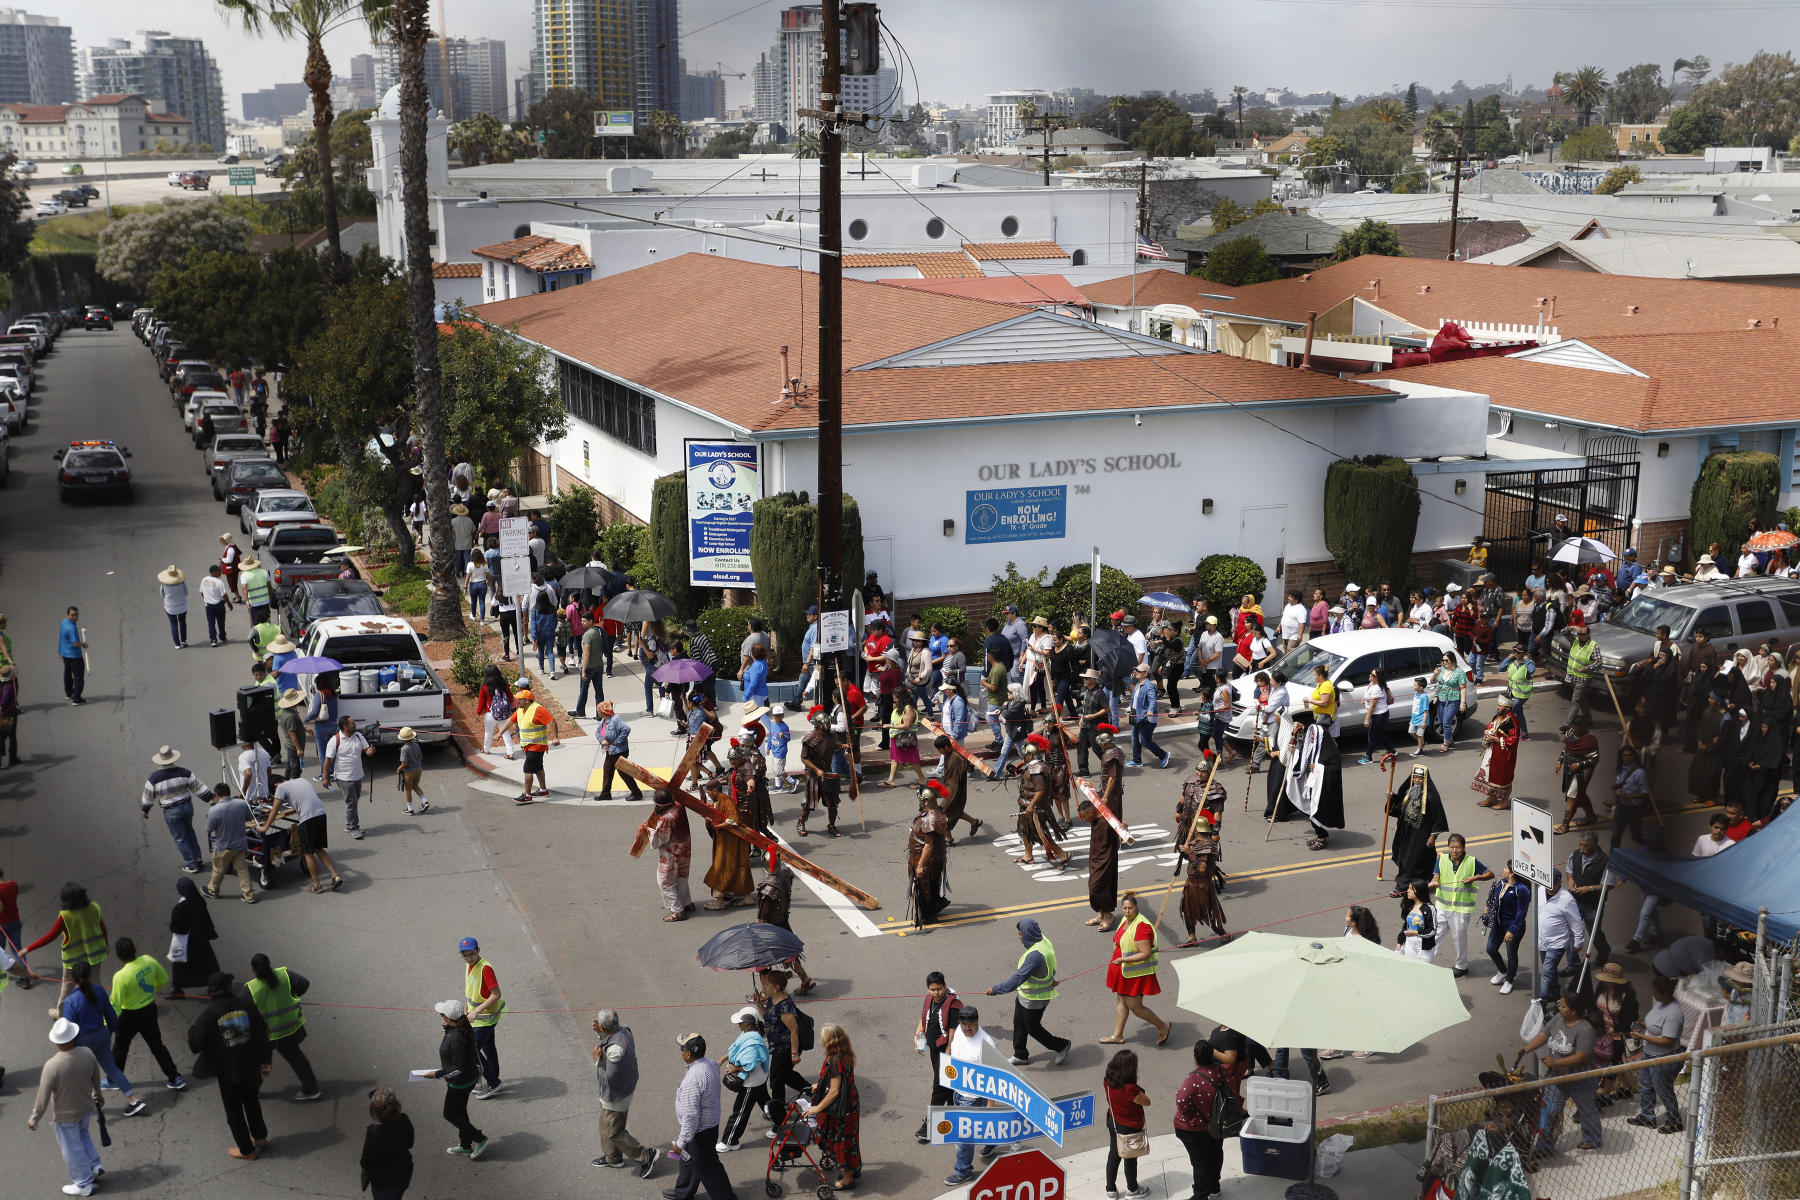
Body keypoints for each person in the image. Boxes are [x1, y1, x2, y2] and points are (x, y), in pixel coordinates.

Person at [187, 971, 272, 1161]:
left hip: (227, 1071)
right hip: (251, 1066)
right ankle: (260, 1137)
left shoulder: (209, 1014)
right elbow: (261, 1033)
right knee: (252, 1102)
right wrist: (266, 1060)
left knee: (234, 1112)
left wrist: (193, 1029)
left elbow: (195, 1044)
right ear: (228, 987)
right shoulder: (246, 1004)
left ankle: (246, 1150)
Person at [1520, 992, 1602, 1165]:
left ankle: (1592, 1139)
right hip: (1556, 1078)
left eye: (1563, 1006)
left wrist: (1555, 1062)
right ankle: (1545, 1147)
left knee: (1586, 1109)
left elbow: (1581, 1056)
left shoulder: (1584, 1030)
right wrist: (1527, 1048)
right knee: (1551, 1112)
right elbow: (1544, 1035)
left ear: (1574, 1011)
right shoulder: (1558, 1018)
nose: (1559, 1007)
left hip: (1580, 1079)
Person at [29, 1018, 107, 1196]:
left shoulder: (52, 1066)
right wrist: (98, 1095)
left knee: (72, 1149)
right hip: (85, 1107)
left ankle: (83, 1183)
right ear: (73, 1037)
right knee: (84, 1136)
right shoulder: (87, 1053)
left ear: (56, 1041)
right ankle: (95, 1165)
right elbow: (95, 1076)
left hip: (65, 1115)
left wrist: (35, 1117)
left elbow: (43, 1096)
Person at [983, 918, 1072, 1067]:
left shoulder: (1035, 956)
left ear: (1027, 934)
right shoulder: (1042, 940)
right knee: (1019, 1023)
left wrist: (995, 990)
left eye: (1020, 934)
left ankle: (1061, 1045)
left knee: (1033, 1029)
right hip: (1025, 995)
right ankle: (1020, 1055)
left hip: (1035, 998)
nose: (1019, 937)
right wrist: (1051, 978)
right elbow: (1049, 963)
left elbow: (1016, 979)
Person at [107, 937, 185, 1092]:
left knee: (121, 1047)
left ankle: (114, 1080)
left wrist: (106, 1023)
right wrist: (150, 989)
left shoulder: (121, 976)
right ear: (135, 949)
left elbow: (115, 1003)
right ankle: (175, 1077)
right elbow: (163, 979)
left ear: (118, 956)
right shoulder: (148, 960)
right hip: (149, 1010)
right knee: (157, 1045)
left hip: (129, 1016)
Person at [669, 1032, 740, 1200]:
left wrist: (681, 1142)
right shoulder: (709, 1064)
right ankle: (683, 1192)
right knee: (688, 1161)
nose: (680, 1051)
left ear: (688, 1054)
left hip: (699, 1131)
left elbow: (691, 1116)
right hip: (709, 1123)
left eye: (682, 1048)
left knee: (708, 1167)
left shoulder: (692, 1079)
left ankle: (725, 1197)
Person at [24, 882, 108, 1016]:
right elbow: (103, 929)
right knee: (95, 984)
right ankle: (100, 1011)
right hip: (95, 955)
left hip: (73, 959)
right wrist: (105, 946)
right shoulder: (94, 907)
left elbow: (50, 936)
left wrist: (28, 949)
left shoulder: (66, 916)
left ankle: (61, 1012)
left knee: (67, 986)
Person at [591, 1008, 658, 1175]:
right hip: (622, 1089)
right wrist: (601, 1035)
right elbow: (609, 1040)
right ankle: (612, 1158)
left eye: (599, 1024)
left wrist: (597, 1061)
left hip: (616, 1095)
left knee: (613, 1131)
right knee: (605, 1125)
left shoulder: (615, 1050)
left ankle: (645, 1156)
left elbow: (609, 1075)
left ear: (605, 1027)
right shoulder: (624, 1030)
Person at [247, 953, 321, 1101]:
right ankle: (311, 1088)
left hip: (267, 1034)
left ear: (253, 969)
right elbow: (304, 983)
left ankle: (252, 1090)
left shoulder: (251, 988)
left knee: (261, 1061)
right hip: (290, 1028)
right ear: (269, 964)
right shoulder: (284, 974)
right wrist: (292, 995)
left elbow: (243, 1007)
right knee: (296, 1058)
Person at [942, 1004, 1001, 1186]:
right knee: (978, 1127)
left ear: (977, 1022)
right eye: (964, 1024)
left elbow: (993, 1077)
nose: (967, 1028)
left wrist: (991, 1105)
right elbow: (954, 1044)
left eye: (971, 1025)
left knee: (964, 1136)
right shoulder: (960, 1031)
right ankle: (991, 1139)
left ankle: (963, 1170)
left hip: (973, 1098)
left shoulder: (986, 1044)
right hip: (958, 1090)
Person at [1103, 892, 1171, 1046]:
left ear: (1137, 907)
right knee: (1121, 1000)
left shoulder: (1140, 926)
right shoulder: (1125, 921)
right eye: (1125, 908)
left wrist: (1123, 959)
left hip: (1133, 973)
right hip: (1123, 971)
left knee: (1136, 1007)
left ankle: (1163, 1027)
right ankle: (1117, 1036)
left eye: (1130, 908)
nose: (1127, 911)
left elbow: (1145, 953)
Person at [425, 1000, 489, 1160]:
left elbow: (457, 1069)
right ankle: (465, 1145)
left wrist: (437, 1074)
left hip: (460, 1083)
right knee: (460, 1112)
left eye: (442, 1015)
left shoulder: (457, 1038)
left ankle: (479, 1138)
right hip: (466, 1078)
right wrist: (446, 1028)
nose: (440, 1016)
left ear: (450, 1018)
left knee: (450, 1114)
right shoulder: (459, 1027)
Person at [1274, 710, 1346, 851]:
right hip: (1314, 786)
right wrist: (1294, 752)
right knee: (1312, 813)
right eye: (1311, 734)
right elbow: (1303, 761)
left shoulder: (1331, 753)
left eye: (1313, 734)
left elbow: (1335, 771)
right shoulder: (1314, 748)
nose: (1311, 736)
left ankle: (1321, 838)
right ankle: (1320, 835)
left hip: (1325, 789)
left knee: (1317, 813)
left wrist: (1319, 768)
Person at [802, 1024, 860, 1190]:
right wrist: (819, 1085)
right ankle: (849, 1171)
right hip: (850, 1103)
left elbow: (834, 1092)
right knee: (848, 1140)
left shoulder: (835, 1061)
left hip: (841, 1109)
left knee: (839, 1142)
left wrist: (817, 1108)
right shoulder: (844, 1054)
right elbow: (836, 1083)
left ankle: (847, 1178)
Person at [263, 774, 342, 893]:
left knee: (308, 852)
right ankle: (335, 876)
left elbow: (274, 810)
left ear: (275, 785)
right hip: (320, 813)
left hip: (308, 819)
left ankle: (317, 886)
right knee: (318, 848)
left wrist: (265, 826)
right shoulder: (302, 780)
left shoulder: (280, 787)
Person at [1428, 833, 1491, 978]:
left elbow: (1490, 874)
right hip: (1442, 906)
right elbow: (1435, 876)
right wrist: (1434, 881)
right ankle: (1426, 959)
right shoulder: (1442, 858)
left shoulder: (1472, 862)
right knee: (1435, 934)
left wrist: (1475, 877)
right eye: (1451, 847)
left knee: (1459, 938)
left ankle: (1461, 966)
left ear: (1463, 848)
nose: (1454, 850)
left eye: (1457, 847)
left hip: (1461, 909)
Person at [1630, 975, 1686, 1134]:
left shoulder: (1673, 1013)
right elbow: (1656, 1024)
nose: (1653, 994)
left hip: (1663, 1057)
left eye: (1656, 992)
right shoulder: (1660, 1003)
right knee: (1645, 1084)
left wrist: (1641, 1037)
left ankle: (1674, 1121)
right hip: (1649, 1053)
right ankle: (1647, 1116)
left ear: (1666, 994)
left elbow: (1667, 1041)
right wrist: (1643, 1024)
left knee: (1663, 1089)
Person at [1173, 1039, 1228, 1200]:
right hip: (1217, 1125)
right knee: (1216, 1154)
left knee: (1200, 1162)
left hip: (1195, 1130)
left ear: (1195, 1056)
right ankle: (1214, 1187)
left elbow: (1182, 1100)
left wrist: (1189, 1116)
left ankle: (1200, 1194)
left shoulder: (1192, 1079)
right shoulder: (1221, 1072)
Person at [142, 745, 208, 873]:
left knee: (180, 837)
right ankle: (197, 857)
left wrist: (146, 810)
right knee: (189, 831)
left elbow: (148, 797)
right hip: (187, 807)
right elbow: (198, 788)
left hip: (171, 811)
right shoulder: (184, 772)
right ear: (173, 758)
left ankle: (192, 865)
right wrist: (211, 798)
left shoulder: (154, 778)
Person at [1386, 763, 1447, 899]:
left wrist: (1433, 836)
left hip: (1421, 835)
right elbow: (1400, 806)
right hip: (1406, 831)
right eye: (1415, 777)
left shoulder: (1431, 797)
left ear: (1425, 779)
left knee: (1410, 861)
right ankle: (1423, 880)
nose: (1417, 780)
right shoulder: (1410, 791)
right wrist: (1393, 798)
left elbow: (1438, 818)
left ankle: (1402, 886)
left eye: (1420, 778)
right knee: (1409, 857)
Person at [756, 969, 811, 1118]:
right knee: (785, 1076)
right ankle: (812, 1091)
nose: (764, 986)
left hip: (786, 1049)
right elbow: (767, 1018)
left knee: (776, 1081)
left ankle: (778, 1115)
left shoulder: (785, 1007)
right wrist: (758, 1004)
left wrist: (794, 1054)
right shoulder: (773, 1000)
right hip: (777, 1047)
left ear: (776, 987)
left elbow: (794, 1031)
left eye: (767, 983)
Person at [455, 937, 506, 1098]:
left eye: (471, 954)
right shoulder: (469, 966)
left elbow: (496, 994)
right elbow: (471, 991)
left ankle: (493, 1082)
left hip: (486, 1017)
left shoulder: (485, 968)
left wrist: (476, 1011)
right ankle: (492, 1078)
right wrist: (466, 1008)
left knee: (471, 1049)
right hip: (477, 1015)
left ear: (478, 950)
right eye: (465, 955)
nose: (469, 958)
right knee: (488, 1048)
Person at [1176, 809, 1230, 949]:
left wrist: (1190, 854)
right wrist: (1186, 852)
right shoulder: (1195, 843)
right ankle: (1192, 938)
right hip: (1191, 883)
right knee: (1187, 911)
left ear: (1197, 829)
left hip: (1202, 886)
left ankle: (1223, 935)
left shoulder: (1208, 845)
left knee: (1208, 914)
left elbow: (1202, 868)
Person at [717, 1007, 770, 1154]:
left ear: (749, 1024)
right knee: (765, 1102)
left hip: (751, 1083)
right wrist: (722, 1059)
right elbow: (738, 1049)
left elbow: (749, 1065)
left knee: (740, 1112)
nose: (738, 1024)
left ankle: (729, 1142)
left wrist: (735, 1069)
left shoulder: (752, 1042)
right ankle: (780, 1125)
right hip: (760, 1079)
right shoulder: (749, 1033)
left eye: (741, 1022)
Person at [1102, 1048, 1153, 1200]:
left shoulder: (1108, 1080)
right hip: (1129, 1125)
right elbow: (1147, 1102)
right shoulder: (1130, 1089)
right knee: (1130, 1158)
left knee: (1114, 1153)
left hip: (1113, 1120)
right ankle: (1132, 1189)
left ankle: (1110, 1189)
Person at [1013, 736, 1070, 868]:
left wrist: (1031, 806)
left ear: (1030, 755)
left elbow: (1041, 790)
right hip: (1026, 805)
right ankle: (1028, 855)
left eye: (1025, 754)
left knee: (1041, 834)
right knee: (1024, 830)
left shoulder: (1038, 768)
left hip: (1035, 808)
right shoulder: (1032, 766)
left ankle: (1062, 854)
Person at [1536, 869, 1588, 1006]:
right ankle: (1554, 994)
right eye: (1546, 883)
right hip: (1542, 940)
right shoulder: (1540, 890)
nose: (1548, 886)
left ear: (1559, 882)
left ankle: (1542, 1003)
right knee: (1550, 970)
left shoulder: (1567, 899)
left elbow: (1576, 922)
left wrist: (1578, 942)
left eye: (1552, 883)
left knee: (1546, 971)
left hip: (1557, 943)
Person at [1481, 862, 1532, 996]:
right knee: (1491, 949)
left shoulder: (1522, 889)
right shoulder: (1502, 883)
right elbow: (1496, 900)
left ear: (1512, 872)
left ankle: (1509, 980)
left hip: (1513, 927)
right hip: (1499, 924)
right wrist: (1490, 908)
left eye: (1505, 868)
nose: (1503, 869)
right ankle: (1502, 971)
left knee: (1511, 954)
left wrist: (1512, 931)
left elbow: (1521, 913)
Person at [642, 790, 694, 920]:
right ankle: (686, 902)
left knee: (665, 881)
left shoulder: (666, 818)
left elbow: (660, 839)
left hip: (671, 852)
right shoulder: (679, 806)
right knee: (681, 876)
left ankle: (677, 910)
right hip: (684, 849)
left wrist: (648, 830)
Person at [906, 781, 951, 927]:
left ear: (926, 801)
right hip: (922, 858)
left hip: (926, 861)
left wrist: (920, 865)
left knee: (925, 889)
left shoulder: (931, 818)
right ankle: (935, 905)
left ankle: (928, 916)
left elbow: (929, 845)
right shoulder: (932, 812)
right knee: (930, 887)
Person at [203, 783, 257, 903]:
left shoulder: (214, 810)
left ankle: (212, 891)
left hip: (223, 846)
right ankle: (249, 895)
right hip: (240, 844)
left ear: (217, 795)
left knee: (218, 870)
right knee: (242, 870)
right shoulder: (242, 804)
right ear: (228, 792)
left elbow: (209, 829)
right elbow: (249, 818)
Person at [507, 687, 561, 803]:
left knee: (528, 769)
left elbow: (552, 721)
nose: (517, 702)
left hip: (536, 746)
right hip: (528, 745)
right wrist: (499, 733)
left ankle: (527, 795)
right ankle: (543, 790)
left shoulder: (538, 709)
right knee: (538, 768)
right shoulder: (521, 710)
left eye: (519, 700)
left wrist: (555, 737)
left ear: (527, 700)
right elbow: (511, 720)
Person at [324, 716, 375, 839]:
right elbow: (327, 760)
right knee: (351, 802)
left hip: (357, 775)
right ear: (345, 727)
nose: (355, 725)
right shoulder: (335, 740)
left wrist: (371, 751)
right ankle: (354, 828)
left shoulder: (358, 736)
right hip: (343, 777)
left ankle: (349, 824)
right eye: (352, 723)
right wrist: (325, 777)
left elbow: (366, 750)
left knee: (354, 801)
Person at [360, 1087, 415, 1200]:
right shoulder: (404, 1120)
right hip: (404, 1173)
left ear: (374, 1111)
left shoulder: (373, 1132)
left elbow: (365, 1162)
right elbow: (410, 1143)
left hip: (383, 1181)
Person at [168, 876, 220, 996]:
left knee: (179, 966)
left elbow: (175, 927)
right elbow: (206, 919)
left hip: (184, 941)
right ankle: (214, 986)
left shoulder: (180, 908)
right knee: (208, 964)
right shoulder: (199, 901)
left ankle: (177, 990)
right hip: (200, 939)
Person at [1472, 695, 1521, 810]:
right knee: (1490, 776)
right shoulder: (1499, 716)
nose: (1497, 707)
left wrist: (1497, 740)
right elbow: (1491, 725)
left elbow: (1513, 740)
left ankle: (1504, 801)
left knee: (1503, 779)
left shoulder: (1512, 721)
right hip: (1492, 752)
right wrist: (1487, 731)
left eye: (1500, 706)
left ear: (1507, 708)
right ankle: (1492, 798)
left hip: (1504, 755)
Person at [798, 706, 840, 838]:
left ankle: (832, 825)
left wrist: (844, 746)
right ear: (819, 724)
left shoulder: (830, 736)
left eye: (828, 722)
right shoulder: (809, 738)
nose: (828, 725)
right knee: (809, 803)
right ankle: (801, 822)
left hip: (827, 772)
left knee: (832, 802)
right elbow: (804, 758)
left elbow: (832, 746)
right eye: (825, 723)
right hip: (813, 774)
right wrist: (816, 769)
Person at [1396, 880, 1440, 963]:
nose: (1408, 891)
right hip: (1409, 943)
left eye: (1411, 889)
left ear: (1419, 891)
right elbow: (1406, 926)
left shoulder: (1430, 908)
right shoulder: (1410, 906)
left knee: (1423, 970)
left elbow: (1432, 930)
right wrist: (1400, 942)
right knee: (1410, 968)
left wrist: (1416, 933)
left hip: (1424, 946)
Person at [59, 605, 86, 704]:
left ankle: (69, 693)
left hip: (65, 655)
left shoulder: (63, 623)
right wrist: (83, 644)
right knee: (78, 677)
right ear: (68, 615)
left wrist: (60, 651)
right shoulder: (71, 628)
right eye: (73, 615)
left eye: (76, 615)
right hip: (74, 656)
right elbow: (75, 643)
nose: (75, 617)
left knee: (67, 674)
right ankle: (76, 698)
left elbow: (62, 637)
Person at [158, 565, 190, 648]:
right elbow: (186, 592)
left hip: (170, 607)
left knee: (173, 624)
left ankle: (177, 644)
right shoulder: (181, 582)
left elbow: (162, 595)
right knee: (182, 622)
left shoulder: (164, 584)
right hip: (182, 606)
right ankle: (183, 641)